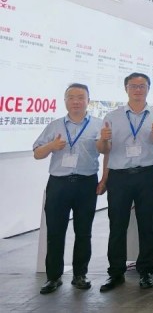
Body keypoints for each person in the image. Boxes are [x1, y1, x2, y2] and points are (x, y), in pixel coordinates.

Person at [33, 83, 105, 294]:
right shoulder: (55, 126)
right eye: (71, 97)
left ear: (88, 101)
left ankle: (80, 275)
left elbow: (106, 150)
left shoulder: (98, 125)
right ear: (65, 101)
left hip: (86, 183)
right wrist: (51, 146)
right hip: (59, 184)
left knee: (84, 231)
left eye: (81, 97)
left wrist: (104, 142)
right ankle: (53, 277)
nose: (76, 101)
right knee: (55, 232)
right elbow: (37, 153)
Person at [96, 72, 153, 292]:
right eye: (133, 86)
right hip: (119, 176)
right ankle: (115, 273)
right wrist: (105, 176)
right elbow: (104, 150)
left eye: (142, 86)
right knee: (117, 225)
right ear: (126, 89)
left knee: (147, 225)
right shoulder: (112, 116)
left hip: (147, 175)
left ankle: (146, 272)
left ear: (148, 89)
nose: (138, 90)